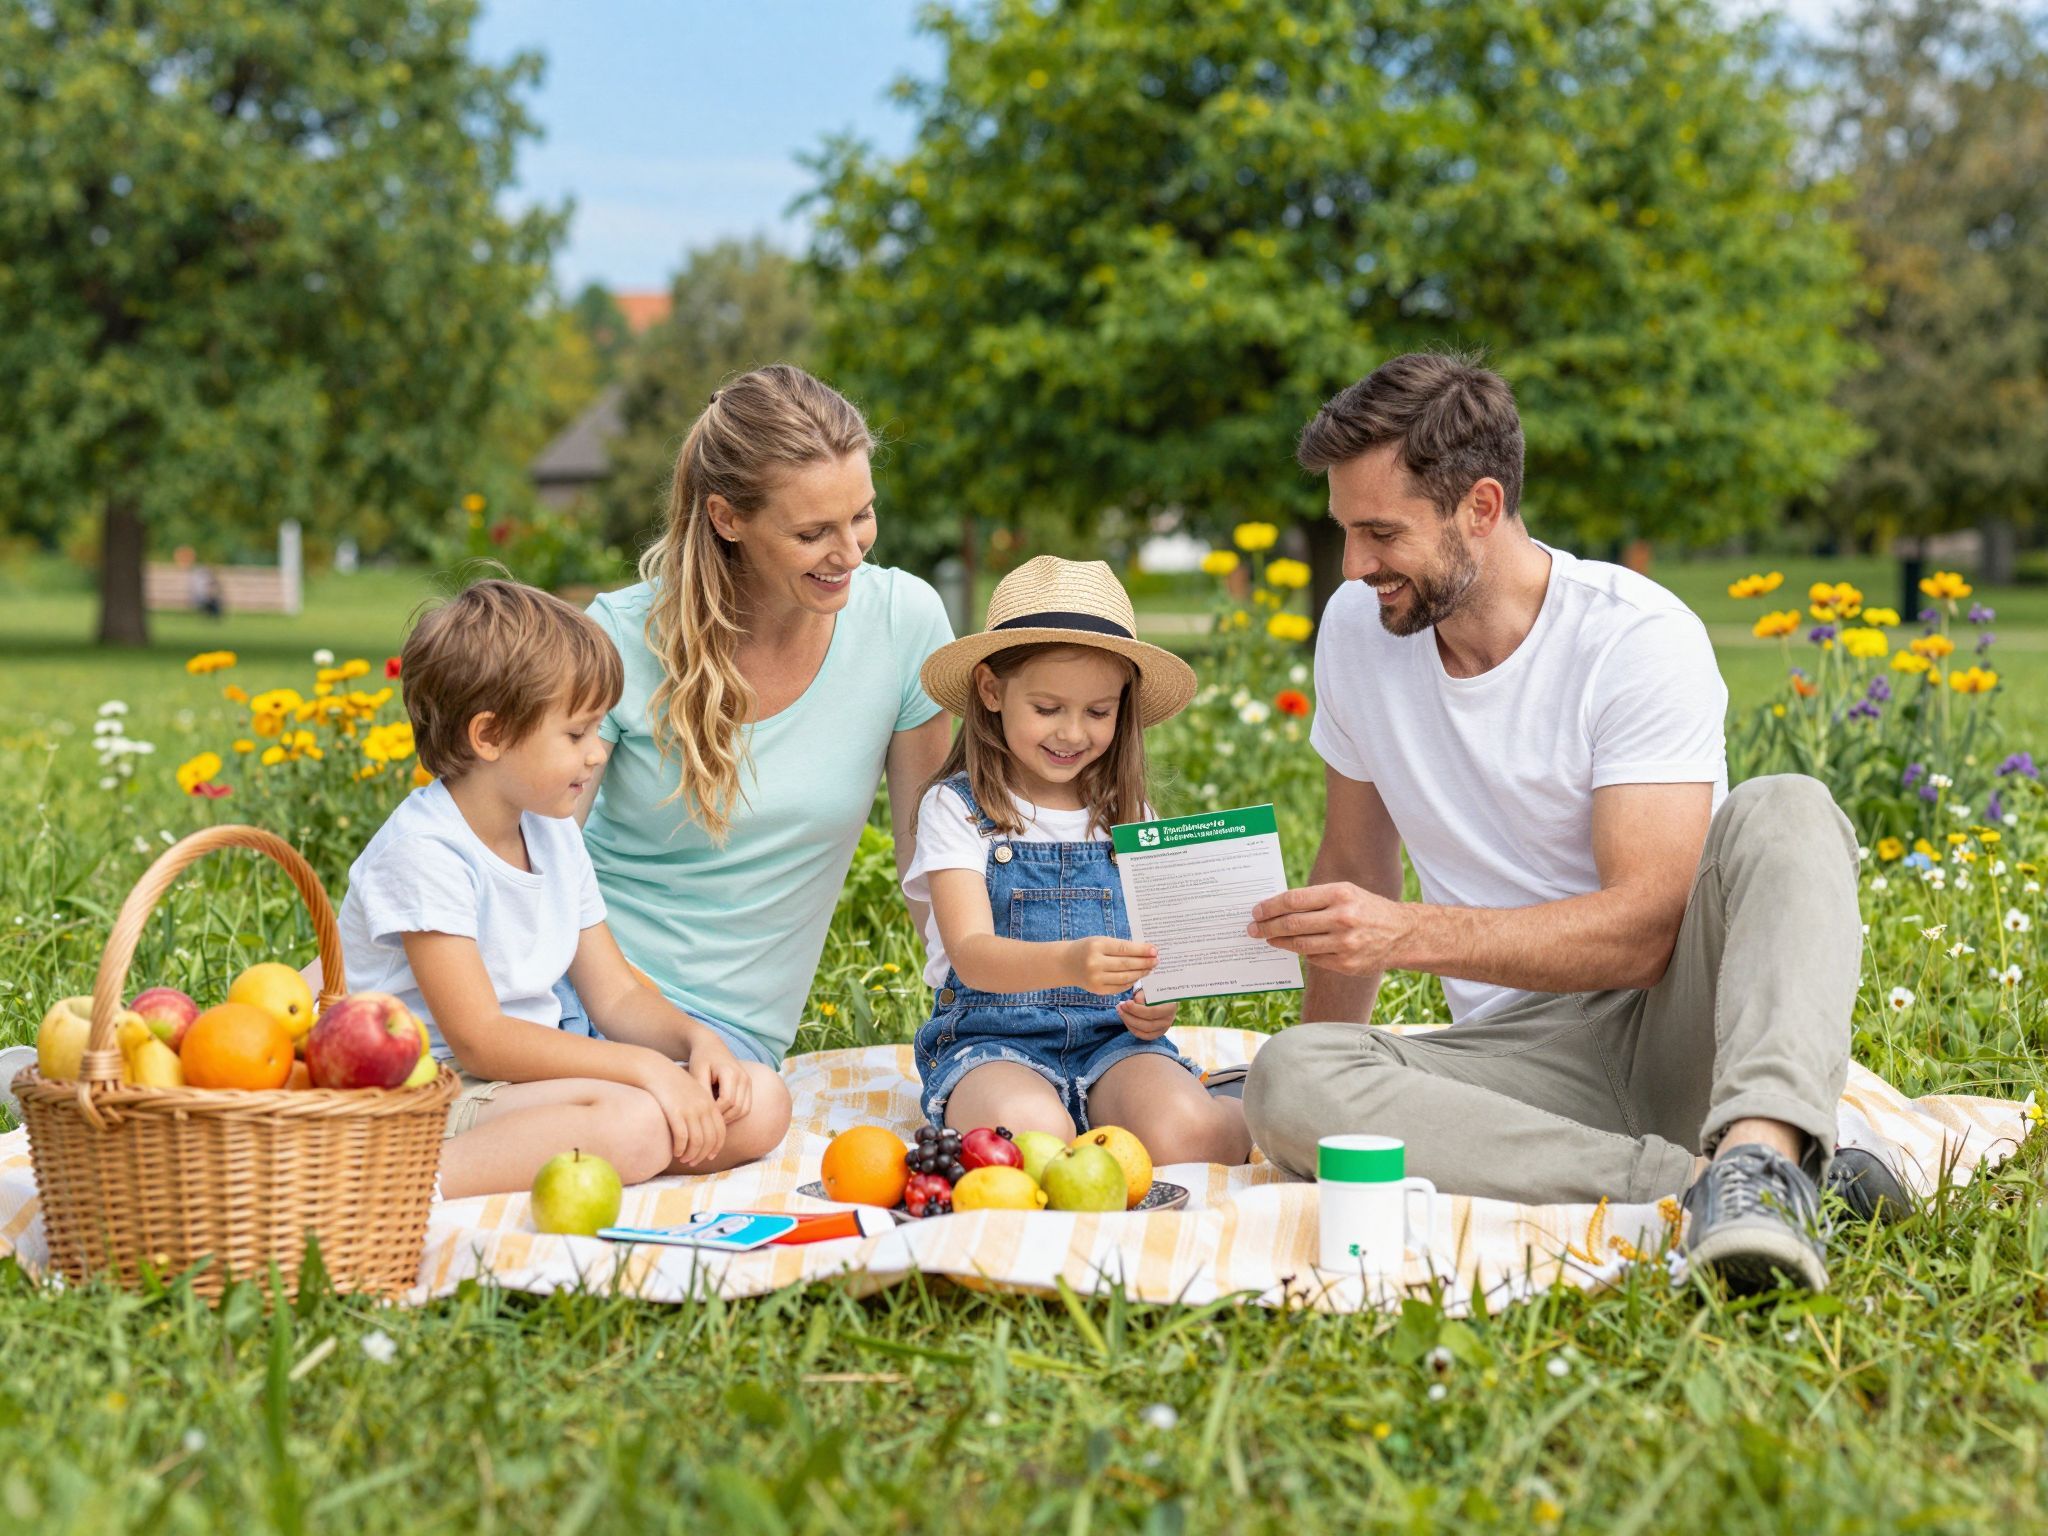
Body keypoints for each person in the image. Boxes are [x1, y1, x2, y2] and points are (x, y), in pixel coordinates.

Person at [1240, 352, 1903, 1295]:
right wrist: (1306, 1095)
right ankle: (1714, 1191)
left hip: (1682, 1027)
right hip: (1523, 1066)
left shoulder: (1632, 638)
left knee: (1787, 805)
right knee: (1287, 1079)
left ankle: (1758, 1147)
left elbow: (1644, 935)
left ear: (1480, 505)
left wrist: (1410, 934)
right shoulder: (1358, 632)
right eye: (1345, 532)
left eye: (1380, 533)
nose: (1354, 567)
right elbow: (1356, 862)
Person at [337, 579, 792, 1199]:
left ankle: (605, 1147)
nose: (597, 754)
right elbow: (481, 1040)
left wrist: (695, 1041)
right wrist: (641, 1069)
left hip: (533, 1080)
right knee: (633, 1123)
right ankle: (400, 1190)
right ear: (489, 736)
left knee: (760, 1098)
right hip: (441, 1093)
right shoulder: (424, 851)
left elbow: (618, 996)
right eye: (576, 735)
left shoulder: (549, 832)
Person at [570, 365, 954, 1068]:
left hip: (727, 1030)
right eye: (812, 533)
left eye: (861, 515)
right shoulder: (618, 638)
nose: (850, 553)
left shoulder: (904, 623)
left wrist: (986, 1006)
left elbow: (929, 857)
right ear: (727, 518)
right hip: (572, 985)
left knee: (711, 1120)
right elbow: (526, 850)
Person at [902, 556, 1251, 1164]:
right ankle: (1063, 1117)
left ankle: (1242, 1098)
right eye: (1047, 708)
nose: (1072, 733)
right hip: (993, 1044)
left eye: (1097, 712)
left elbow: (1153, 950)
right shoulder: (956, 807)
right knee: (1035, 1143)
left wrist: (1157, 999)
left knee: (1193, 1141)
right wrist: (1070, 962)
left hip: (1115, 1043)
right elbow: (973, 955)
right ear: (991, 690)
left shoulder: (1127, 810)